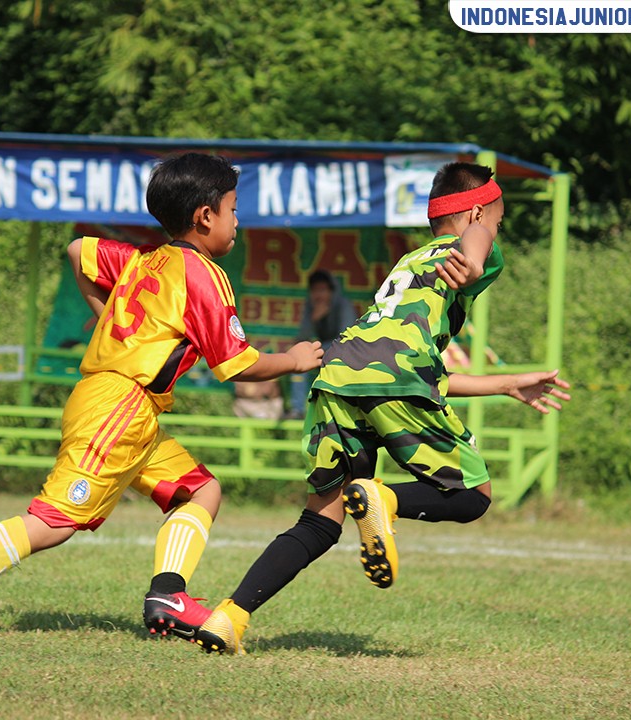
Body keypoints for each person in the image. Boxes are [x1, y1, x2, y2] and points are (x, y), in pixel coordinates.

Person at [0, 153, 324, 635]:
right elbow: (238, 365)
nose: (238, 222)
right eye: (234, 209)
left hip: (125, 406)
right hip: (119, 408)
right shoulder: (203, 276)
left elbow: (79, 250)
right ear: (205, 216)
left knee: (200, 490)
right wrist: (296, 358)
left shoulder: (146, 260)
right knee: (53, 521)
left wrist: (107, 315)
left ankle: (168, 595)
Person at [191, 161, 571, 655]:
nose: (494, 231)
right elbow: (476, 242)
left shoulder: (411, 265)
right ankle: (384, 499)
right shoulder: (471, 248)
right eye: (496, 221)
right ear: (479, 211)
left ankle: (229, 618)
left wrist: (506, 383)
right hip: (394, 375)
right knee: (472, 494)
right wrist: (477, 256)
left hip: (340, 373)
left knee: (320, 521)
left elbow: (409, 369)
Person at [285, 269, 356, 419]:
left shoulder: (343, 305)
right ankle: (298, 409)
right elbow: (302, 338)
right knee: (297, 363)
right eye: (315, 290)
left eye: (323, 290)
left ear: (331, 291)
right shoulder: (311, 307)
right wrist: (314, 319)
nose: (319, 295)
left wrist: (317, 348)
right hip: (323, 350)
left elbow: (346, 338)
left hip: (346, 353)